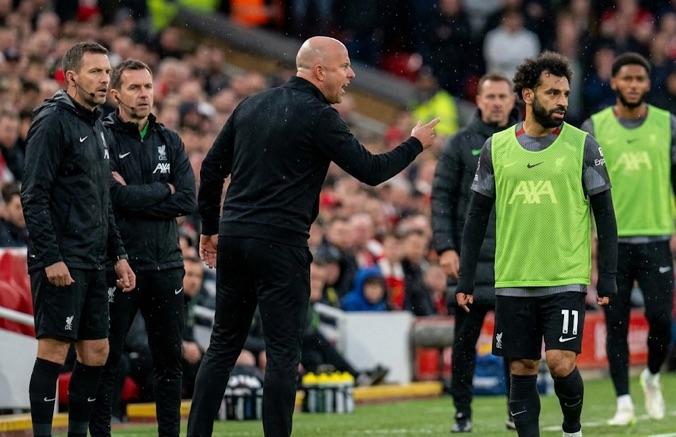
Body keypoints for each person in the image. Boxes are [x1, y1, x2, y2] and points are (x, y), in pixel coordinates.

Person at [188, 36, 439, 437]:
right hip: (281, 241)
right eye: (344, 66)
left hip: (234, 237)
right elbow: (371, 171)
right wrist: (415, 144)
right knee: (283, 353)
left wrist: (210, 228)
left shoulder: (251, 105)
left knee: (222, 346)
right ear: (319, 71)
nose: (351, 74)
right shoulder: (319, 116)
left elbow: (212, 168)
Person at [456, 51, 618, 437]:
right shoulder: (496, 147)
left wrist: (608, 275)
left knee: (561, 362)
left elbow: (606, 216)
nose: (562, 101)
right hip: (513, 279)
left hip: (565, 277)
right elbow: (476, 218)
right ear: (528, 95)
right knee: (522, 367)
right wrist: (466, 278)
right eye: (552, 93)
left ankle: (572, 428)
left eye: (565, 93)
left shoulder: (584, 145)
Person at [21, 42, 136, 437]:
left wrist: (119, 254)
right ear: (71, 77)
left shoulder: (96, 124)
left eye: (107, 72)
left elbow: (102, 200)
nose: (105, 79)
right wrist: (50, 257)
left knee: (96, 352)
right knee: (54, 350)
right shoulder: (52, 121)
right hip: (62, 258)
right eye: (95, 72)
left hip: (94, 259)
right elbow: (33, 195)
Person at [581, 52, 676, 425]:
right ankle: (623, 402)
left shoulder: (667, 123)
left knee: (661, 319)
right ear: (613, 82)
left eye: (639, 79)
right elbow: (582, 188)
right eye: (626, 78)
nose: (633, 84)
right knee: (615, 323)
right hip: (612, 243)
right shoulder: (594, 127)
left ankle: (652, 376)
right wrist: (587, 238)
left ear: (647, 83)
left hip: (657, 238)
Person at [89, 59, 196, 437]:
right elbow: (109, 197)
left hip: (167, 264)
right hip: (119, 264)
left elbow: (187, 199)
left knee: (170, 362)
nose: (144, 94)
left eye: (148, 86)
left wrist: (134, 196)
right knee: (108, 357)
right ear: (115, 94)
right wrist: (163, 190)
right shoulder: (101, 137)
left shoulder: (170, 139)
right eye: (134, 87)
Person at [430, 71, 520, 432]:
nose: (496, 103)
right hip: (468, 262)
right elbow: (441, 198)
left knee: (515, 344)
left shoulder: (527, 142)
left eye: (502, 97)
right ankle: (462, 413)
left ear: (513, 101)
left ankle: (516, 409)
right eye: (490, 97)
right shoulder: (458, 143)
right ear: (479, 101)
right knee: (464, 343)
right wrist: (445, 248)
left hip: (514, 260)